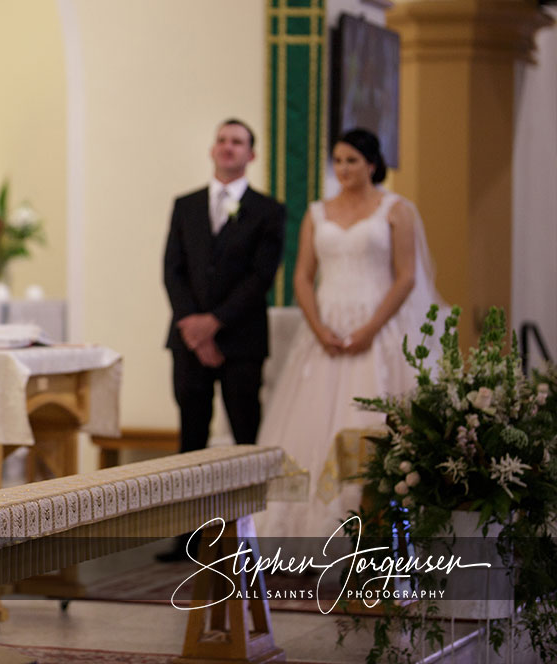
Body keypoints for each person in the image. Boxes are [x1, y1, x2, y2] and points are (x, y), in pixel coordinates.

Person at [255, 128, 442, 545]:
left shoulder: (396, 210)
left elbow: (407, 276)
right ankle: (302, 534)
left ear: (372, 164)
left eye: (352, 161)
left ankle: (375, 535)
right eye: (337, 160)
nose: (343, 169)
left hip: (378, 328)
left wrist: (370, 328)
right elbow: (303, 276)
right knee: (309, 428)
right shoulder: (318, 212)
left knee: (371, 422)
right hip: (325, 332)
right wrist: (319, 327)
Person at [164, 119, 287, 458]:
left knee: (246, 436)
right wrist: (194, 327)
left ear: (251, 155)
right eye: (222, 140)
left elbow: (260, 276)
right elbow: (172, 270)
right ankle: (188, 510)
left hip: (241, 338)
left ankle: (249, 513)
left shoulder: (268, 211)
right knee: (191, 436)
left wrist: (214, 323)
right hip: (188, 340)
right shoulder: (185, 205)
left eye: (237, 141)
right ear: (212, 150)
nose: (227, 146)